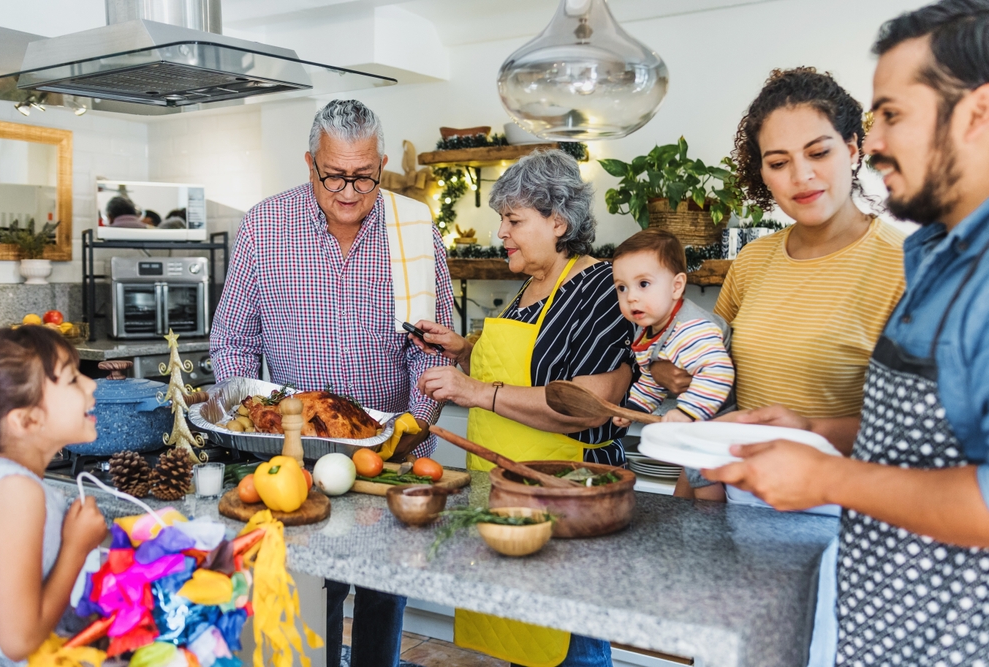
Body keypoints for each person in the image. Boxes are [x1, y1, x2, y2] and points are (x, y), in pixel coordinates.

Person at [703, 2, 989, 664]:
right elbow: (922, 438)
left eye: (892, 115)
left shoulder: (922, 264)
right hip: (880, 607)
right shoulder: (939, 257)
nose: (877, 140)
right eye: (779, 161)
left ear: (977, 115)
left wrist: (830, 478)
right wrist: (811, 428)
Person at [210, 99, 454, 667]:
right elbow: (233, 341)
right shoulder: (265, 226)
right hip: (294, 456)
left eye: (363, 176)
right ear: (309, 163)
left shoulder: (414, 228)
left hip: (389, 454)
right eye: (334, 175)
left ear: (382, 165)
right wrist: (257, 423)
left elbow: (433, 349)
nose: (348, 190)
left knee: (382, 590)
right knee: (311, 590)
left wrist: (411, 430)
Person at [413, 149, 635, 667]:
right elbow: (526, 369)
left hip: (565, 497)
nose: (501, 233)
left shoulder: (600, 287)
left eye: (513, 220)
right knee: (522, 640)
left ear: (558, 222)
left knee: (571, 644)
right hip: (508, 492)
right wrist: (462, 349)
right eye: (502, 220)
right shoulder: (530, 286)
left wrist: (474, 391)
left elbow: (589, 405)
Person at [667, 67, 907, 503]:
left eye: (819, 152)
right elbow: (714, 381)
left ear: (852, 150)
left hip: (843, 508)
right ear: (762, 173)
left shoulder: (905, 266)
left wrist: (809, 431)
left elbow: (919, 432)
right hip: (737, 500)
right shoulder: (752, 260)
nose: (801, 176)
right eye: (779, 162)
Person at [0, 326, 108, 665]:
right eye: (72, 380)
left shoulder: (12, 483)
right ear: (27, 420)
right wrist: (77, 546)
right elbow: (18, 641)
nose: (91, 384)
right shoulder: (17, 491)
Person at [609, 228, 734, 430]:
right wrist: (634, 408)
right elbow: (651, 380)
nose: (631, 297)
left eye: (643, 284)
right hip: (700, 425)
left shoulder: (691, 329)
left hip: (727, 423)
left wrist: (686, 412)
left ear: (676, 287)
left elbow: (717, 372)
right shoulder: (648, 329)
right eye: (622, 288)